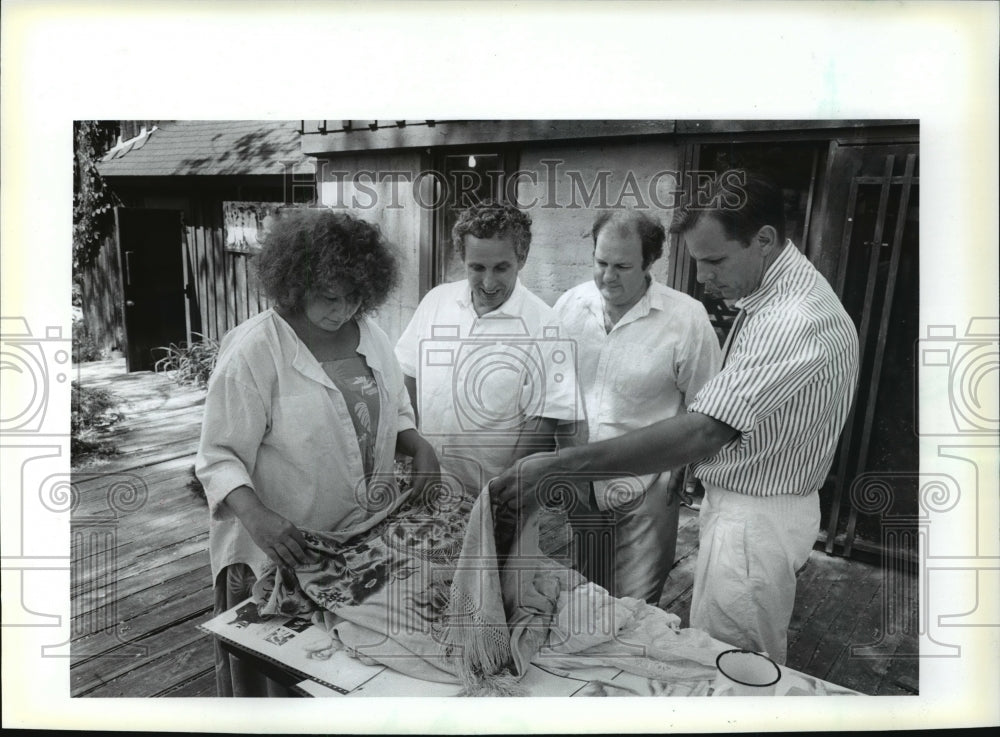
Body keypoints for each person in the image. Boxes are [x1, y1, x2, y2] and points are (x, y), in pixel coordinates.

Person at [491, 173, 859, 664]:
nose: (704, 278)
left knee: (731, 664)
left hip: (753, 516)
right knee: (706, 647)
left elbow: (706, 425)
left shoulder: (793, 319)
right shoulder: (772, 298)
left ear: (764, 240)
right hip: (738, 506)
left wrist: (563, 466)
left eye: (714, 260)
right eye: (600, 262)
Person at [195, 207, 440, 696]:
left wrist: (418, 446)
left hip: (353, 538)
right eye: (329, 297)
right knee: (277, 688)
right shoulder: (254, 350)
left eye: (354, 297)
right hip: (276, 548)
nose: (342, 311)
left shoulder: (369, 335)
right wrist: (259, 518)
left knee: (339, 682)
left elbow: (392, 409)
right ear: (295, 283)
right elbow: (218, 457)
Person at [552, 209, 720, 604]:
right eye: (601, 263)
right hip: (582, 483)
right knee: (585, 597)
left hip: (648, 487)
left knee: (635, 607)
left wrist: (684, 468)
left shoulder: (686, 319)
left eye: (623, 266)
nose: (608, 277)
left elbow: (707, 404)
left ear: (649, 263)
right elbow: (551, 385)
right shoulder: (569, 306)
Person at [394, 201, 581, 503]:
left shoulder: (546, 326)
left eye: (501, 268)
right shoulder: (436, 301)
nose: (489, 282)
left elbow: (543, 419)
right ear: (462, 258)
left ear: (521, 258)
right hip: (427, 483)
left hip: (493, 493)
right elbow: (408, 375)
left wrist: (503, 489)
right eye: (477, 268)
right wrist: (414, 448)